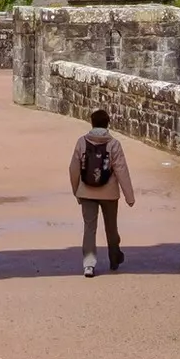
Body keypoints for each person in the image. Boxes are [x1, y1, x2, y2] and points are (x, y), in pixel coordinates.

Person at [68, 107, 134, 276]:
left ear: (92, 123)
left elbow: (73, 169)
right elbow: (121, 170)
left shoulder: (82, 142)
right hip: (109, 193)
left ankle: (88, 264)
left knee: (90, 228)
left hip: (86, 191)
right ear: (107, 124)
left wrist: (76, 190)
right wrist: (129, 196)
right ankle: (114, 257)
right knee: (111, 228)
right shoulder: (114, 144)